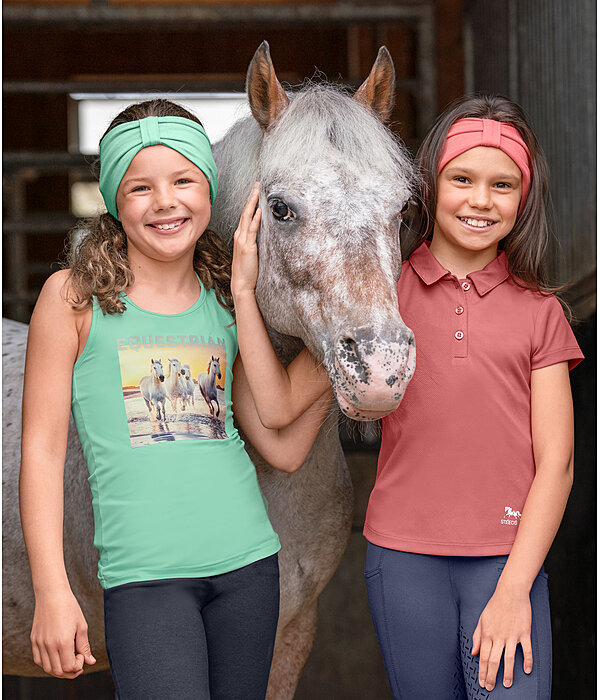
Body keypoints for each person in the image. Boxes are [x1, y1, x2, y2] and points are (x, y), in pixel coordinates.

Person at [19, 98, 331, 700]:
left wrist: (345, 341)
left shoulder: (223, 301)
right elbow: (42, 450)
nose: (165, 201)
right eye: (140, 187)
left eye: (184, 180)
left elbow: (281, 442)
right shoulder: (73, 299)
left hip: (247, 568)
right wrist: (52, 589)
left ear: (209, 191)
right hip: (145, 582)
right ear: (113, 200)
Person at [362, 95, 583, 699]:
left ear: (523, 197)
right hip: (403, 559)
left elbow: (557, 465)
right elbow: (289, 401)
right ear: (430, 186)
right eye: (462, 178)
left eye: (502, 185)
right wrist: (245, 295)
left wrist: (514, 590)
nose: (481, 200)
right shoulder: (382, 294)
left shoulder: (541, 313)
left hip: (507, 560)